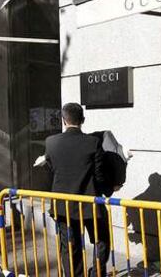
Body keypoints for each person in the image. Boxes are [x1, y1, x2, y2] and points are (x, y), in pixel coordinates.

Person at [45, 103, 109, 276]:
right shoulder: (93, 142)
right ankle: (96, 273)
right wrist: (110, 189)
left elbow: (53, 170)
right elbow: (99, 175)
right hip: (89, 203)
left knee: (69, 245)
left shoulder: (50, 143)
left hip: (62, 205)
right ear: (83, 120)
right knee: (101, 240)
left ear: (64, 121)